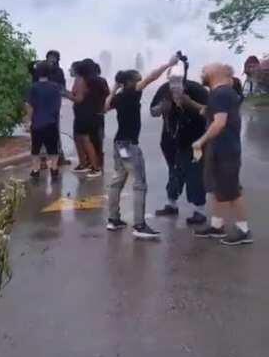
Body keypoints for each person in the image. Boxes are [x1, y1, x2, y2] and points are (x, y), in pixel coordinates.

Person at [105, 54, 178, 239]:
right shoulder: (132, 92)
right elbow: (152, 76)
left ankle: (113, 220)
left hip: (118, 144)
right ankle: (139, 225)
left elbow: (105, 106)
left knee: (117, 180)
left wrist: (115, 87)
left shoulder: (119, 96)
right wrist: (168, 63)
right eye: (137, 79)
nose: (140, 81)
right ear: (130, 82)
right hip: (129, 145)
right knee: (140, 184)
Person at [193, 63, 252, 246]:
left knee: (232, 191)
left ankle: (244, 230)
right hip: (221, 148)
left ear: (216, 73)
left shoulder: (221, 94)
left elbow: (219, 123)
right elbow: (211, 115)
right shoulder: (222, 94)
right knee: (219, 189)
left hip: (225, 149)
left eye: (205, 70)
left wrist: (200, 141)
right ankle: (217, 226)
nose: (202, 72)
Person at [150, 67, 209, 225]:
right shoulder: (164, 90)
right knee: (174, 172)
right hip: (170, 140)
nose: (174, 84)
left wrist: (189, 103)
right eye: (171, 80)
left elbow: (210, 112)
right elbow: (152, 111)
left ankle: (200, 211)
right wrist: (162, 107)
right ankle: (171, 204)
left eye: (177, 80)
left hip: (195, 141)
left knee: (195, 174)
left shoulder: (197, 89)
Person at [25, 61, 61, 182]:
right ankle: (54, 170)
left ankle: (36, 171)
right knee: (53, 149)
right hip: (52, 122)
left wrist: (28, 121)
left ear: (37, 72)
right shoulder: (55, 87)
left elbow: (30, 106)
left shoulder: (34, 87)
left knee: (36, 149)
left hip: (37, 123)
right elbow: (58, 105)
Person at [69, 60, 103, 179]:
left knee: (85, 140)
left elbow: (78, 98)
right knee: (89, 140)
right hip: (93, 114)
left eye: (71, 68)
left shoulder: (81, 80)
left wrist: (65, 94)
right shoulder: (95, 80)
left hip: (83, 114)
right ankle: (90, 164)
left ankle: (94, 167)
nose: (69, 70)